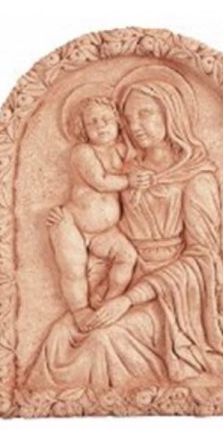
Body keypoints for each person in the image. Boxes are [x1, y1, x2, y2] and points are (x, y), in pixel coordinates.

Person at [25, 67, 223, 391]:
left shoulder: (196, 177)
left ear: (170, 114)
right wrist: (69, 222)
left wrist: (129, 299)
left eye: (145, 114)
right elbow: (102, 218)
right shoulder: (126, 168)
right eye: (129, 118)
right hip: (124, 275)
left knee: (102, 338)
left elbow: (202, 258)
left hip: (171, 294)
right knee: (63, 333)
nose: (135, 126)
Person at [48, 95, 154, 331]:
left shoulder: (121, 150)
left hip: (105, 232)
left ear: (118, 122)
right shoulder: (83, 152)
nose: (100, 126)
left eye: (106, 120)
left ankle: (109, 300)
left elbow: (138, 164)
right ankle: (80, 311)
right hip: (72, 224)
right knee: (73, 269)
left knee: (127, 256)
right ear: (83, 129)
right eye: (92, 122)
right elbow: (100, 181)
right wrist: (129, 181)